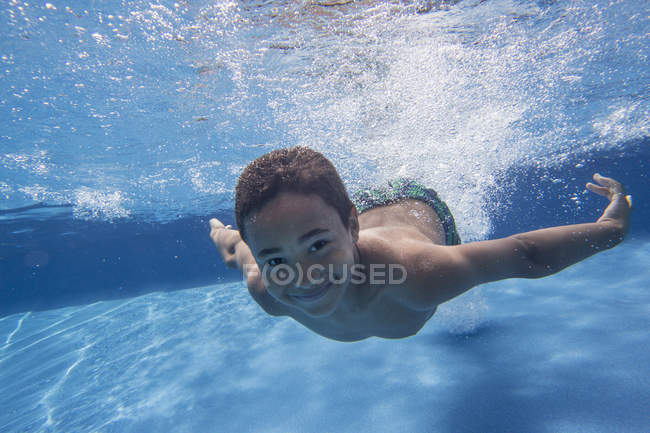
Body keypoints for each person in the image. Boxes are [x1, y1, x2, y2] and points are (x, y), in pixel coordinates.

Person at [209, 147, 632, 342]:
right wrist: (224, 236)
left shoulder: (413, 273)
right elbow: (237, 251)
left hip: (419, 207)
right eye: (275, 257)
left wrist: (611, 229)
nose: (301, 274)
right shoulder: (267, 289)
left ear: (350, 227)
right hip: (357, 213)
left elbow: (526, 254)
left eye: (317, 246)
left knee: (461, 285)